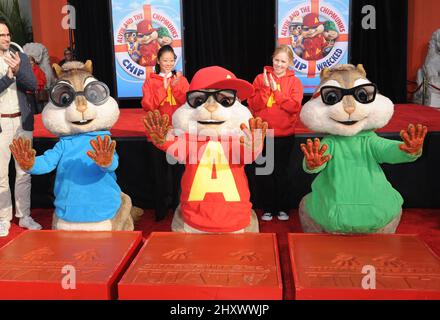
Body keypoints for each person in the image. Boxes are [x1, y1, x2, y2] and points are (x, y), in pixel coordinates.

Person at [248, 45, 304, 221]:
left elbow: (294, 107)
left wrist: (277, 92)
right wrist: (266, 88)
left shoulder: (294, 82)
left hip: (284, 135)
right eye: (276, 60)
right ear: (272, 59)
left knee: (281, 173)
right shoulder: (259, 78)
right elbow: (254, 105)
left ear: (289, 63)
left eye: (283, 61)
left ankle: (282, 208)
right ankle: (267, 208)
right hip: (262, 134)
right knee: (265, 172)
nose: (279, 64)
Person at [0, 19, 40, 237]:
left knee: (24, 170)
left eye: (8, 34)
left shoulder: (20, 56)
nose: (7, 38)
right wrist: (8, 77)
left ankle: (24, 215)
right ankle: (3, 219)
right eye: (2, 35)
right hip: (1, 124)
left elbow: (33, 85)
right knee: (0, 175)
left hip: (22, 123)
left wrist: (18, 70)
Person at [141, 45, 189, 221]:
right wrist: (164, 87)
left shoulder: (181, 80)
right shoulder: (151, 80)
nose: (168, 63)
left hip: (177, 133)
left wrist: (175, 87)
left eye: (171, 60)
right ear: (158, 61)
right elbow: (148, 105)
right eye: (165, 60)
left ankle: (178, 209)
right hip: (157, 133)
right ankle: (160, 210)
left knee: (178, 174)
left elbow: (187, 102)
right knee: (159, 174)